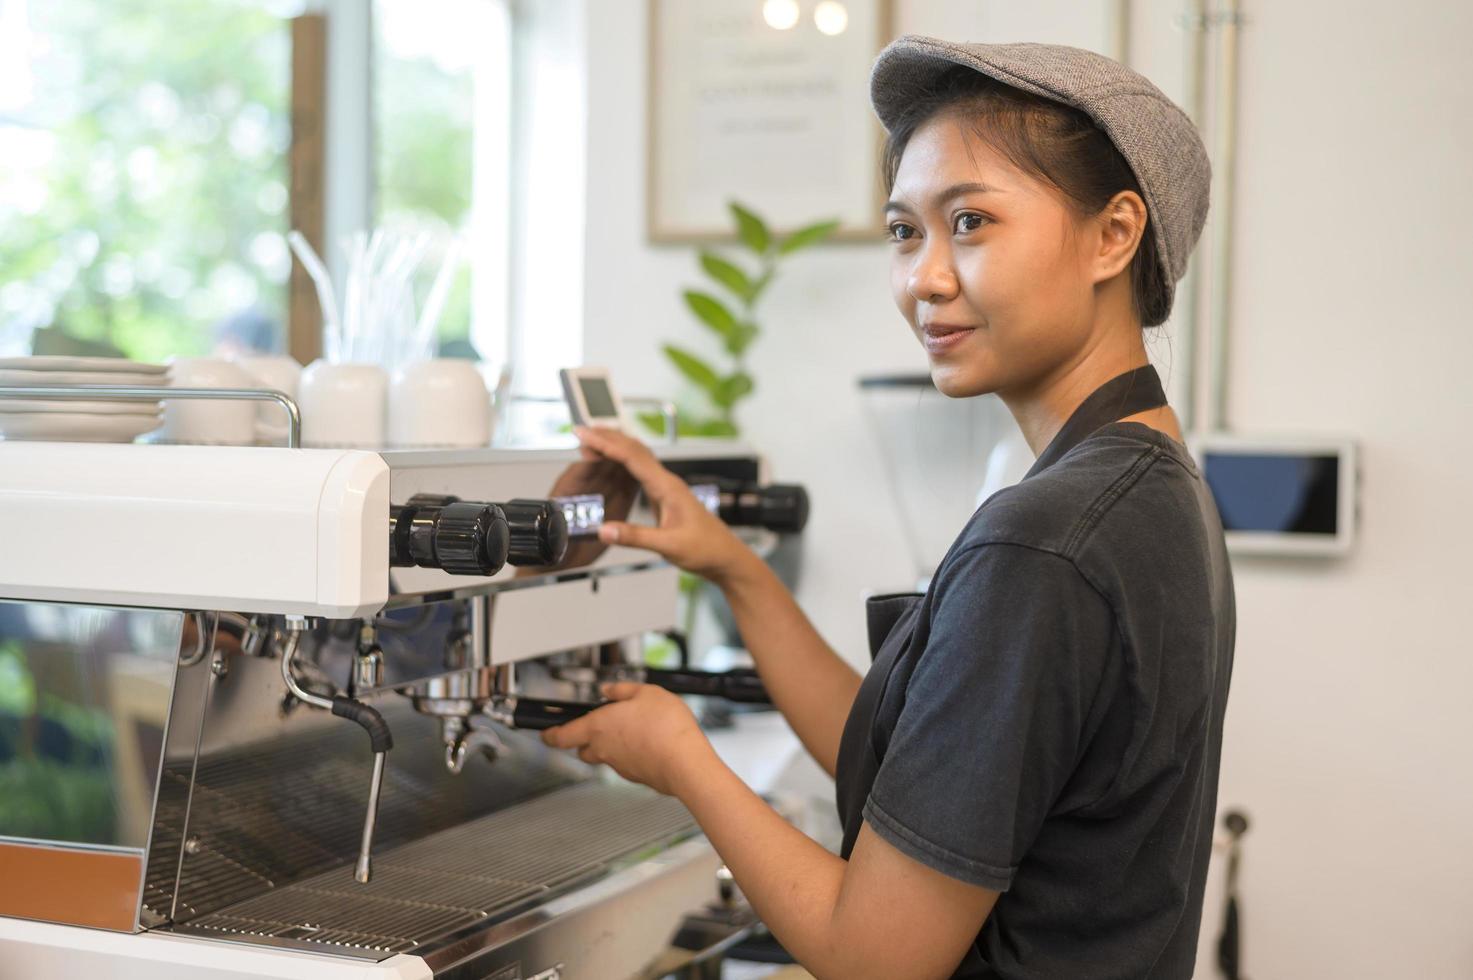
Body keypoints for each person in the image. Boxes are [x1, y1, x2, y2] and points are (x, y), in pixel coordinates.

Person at [543, 37, 1234, 979]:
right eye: (905, 231)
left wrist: (679, 756)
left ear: (1113, 235)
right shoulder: (1153, 487)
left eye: (972, 222)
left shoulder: (1042, 541)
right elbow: (930, 786)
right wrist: (734, 569)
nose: (924, 279)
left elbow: (875, 957)